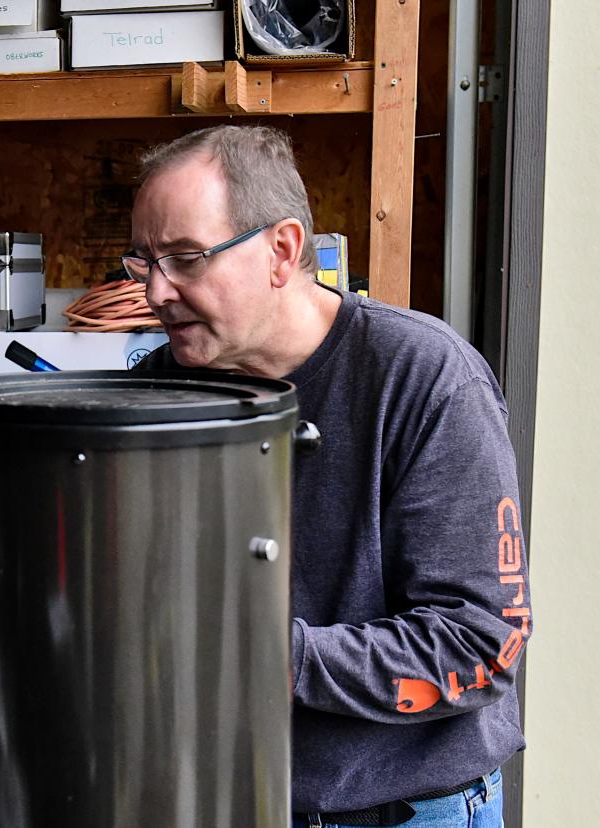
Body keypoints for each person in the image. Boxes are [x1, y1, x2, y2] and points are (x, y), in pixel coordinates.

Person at [129, 125, 529, 828]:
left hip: (403, 811)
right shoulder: (160, 391)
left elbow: (480, 645)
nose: (157, 292)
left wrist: (272, 657)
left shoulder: (425, 379)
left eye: (187, 259)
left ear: (281, 250)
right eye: (144, 262)